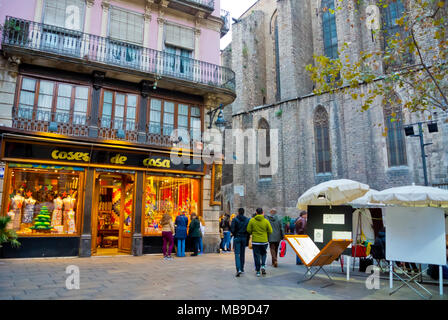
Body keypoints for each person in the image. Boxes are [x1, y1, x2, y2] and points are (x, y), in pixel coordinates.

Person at [247, 208, 273, 277]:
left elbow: (248, 230)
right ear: (263, 212)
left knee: (256, 256)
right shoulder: (266, 221)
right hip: (264, 241)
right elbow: (270, 231)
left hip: (255, 242)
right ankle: (263, 266)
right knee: (264, 254)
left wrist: (254, 232)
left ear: (256, 212)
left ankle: (258, 271)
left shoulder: (252, 220)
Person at [230, 208, 250, 277]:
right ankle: (242, 268)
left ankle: (238, 269)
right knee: (242, 254)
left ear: (238, 212)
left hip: (237, 237)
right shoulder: (247, 220)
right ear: (243, 212)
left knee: (237, 254)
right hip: (244, 238)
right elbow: (248, 229)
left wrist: (235, 233)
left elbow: (232, 229)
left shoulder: (235, 219)